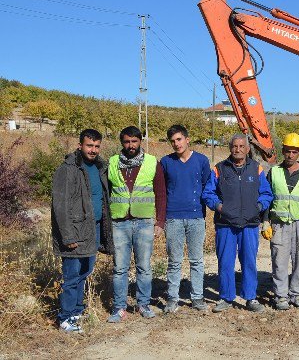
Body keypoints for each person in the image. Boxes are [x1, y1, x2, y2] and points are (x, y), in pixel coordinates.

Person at [202, 134, 273, 313]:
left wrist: (257, 207)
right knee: (225, 262)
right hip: (225, 224)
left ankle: (250, 297)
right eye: (234, 146)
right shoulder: (219, 169)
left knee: (249, 261)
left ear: (248, 149)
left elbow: (266, 194)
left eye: (242, 146)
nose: (238, 149)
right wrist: (219, 207)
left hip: (249, 225)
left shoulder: (257, 169)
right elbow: (208, 194)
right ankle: (226, 297)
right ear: (230, 148)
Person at [51, 129, 114, 333]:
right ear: (80, 145)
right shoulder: (68, 169)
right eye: (89, 145)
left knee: (85, 271)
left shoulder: (100, 168)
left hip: (93, 229)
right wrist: (67, 235)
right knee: (71, 275)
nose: (93, 150)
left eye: (96, 146)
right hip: (75, 231)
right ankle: (65, 318)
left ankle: (77, 310)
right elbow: (59, 206)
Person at [107, 126, 166, 323]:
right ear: (121, 142)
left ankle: (143, 304)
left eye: (134, 141)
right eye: (126, 142)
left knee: (144, 267)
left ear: (140, 141)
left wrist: (160, 221)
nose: (130, 145)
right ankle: (119, 307)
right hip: (119, 223)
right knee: (120, 268)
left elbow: (161, 193)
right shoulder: (113, 163)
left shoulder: (152, 163)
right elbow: (108, 193)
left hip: (144, 222)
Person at [261, 133, 299, 311]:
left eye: (294, 152)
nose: (290, 155)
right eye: (287, 151)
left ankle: (297, 295)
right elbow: (267, 198)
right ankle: (281, 296)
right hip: (279, 224)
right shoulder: (274, 172)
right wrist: (265, 221)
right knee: (280, 261)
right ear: (282, 151)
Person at [160, 125, 211, 313]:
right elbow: (162, 190)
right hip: (173, 217)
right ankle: (172, 298)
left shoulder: (202, 161)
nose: (176, 144)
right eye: (172, 141)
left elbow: (208, 187)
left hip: (196, 217)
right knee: (174, 260)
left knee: (196, 259)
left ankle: (197, 297)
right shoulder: (166, 162)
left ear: (187, 139)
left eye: (179, 139)